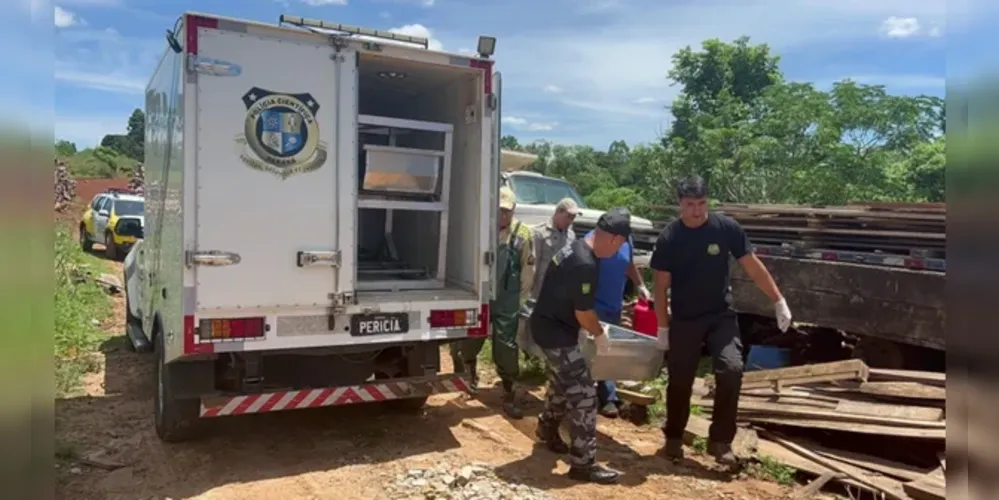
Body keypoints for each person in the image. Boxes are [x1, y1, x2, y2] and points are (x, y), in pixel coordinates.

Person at [650, 175, 793, 466]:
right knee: (680, 380)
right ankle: (674, 437)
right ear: (680, 204)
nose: (697, 210)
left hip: (720, 315)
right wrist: (663, 327)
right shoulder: (670, 238)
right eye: (690, 205)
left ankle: (720, 441)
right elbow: (660, 287)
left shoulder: (725, 228)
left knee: (731, 368)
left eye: (702, 203)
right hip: (685, 318)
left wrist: (778, 300)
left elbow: (753, 266)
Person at [530, 207, 633, 485]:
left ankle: (547, 429)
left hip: (548, 326)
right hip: (556, 334)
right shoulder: (585, 262)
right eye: (621, 244)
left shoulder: (579, 247)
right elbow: (584, 313)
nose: (620, 250)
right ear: (613, 238)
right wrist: (600, 334)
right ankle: (583, 464)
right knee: (585, 393)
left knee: (564, 382)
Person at [450, 186, 535, 419]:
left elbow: (528, 271)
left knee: (506, 345)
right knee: (470, 338)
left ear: (514, 210)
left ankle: (508, 391)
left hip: (508, 299)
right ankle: (470, 378)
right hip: (481, 296)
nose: (503, 216)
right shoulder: (481, 230)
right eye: (499, 211)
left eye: (507, 211)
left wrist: (519, 298)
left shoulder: (524, 234)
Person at [584, 209, 651, 418]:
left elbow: (629, 264)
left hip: (614, 305)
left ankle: (608, 397)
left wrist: (640, 285)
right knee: (592, 352)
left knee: (608, 352)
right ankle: (585, 397)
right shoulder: (592, 241)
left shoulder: (626, 240)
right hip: (594, 305)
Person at [529, 198, 579, 300]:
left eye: (573, 218)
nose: (570, 221)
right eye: (568, 217)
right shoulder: (540, 233)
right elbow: (533, 265)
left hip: (562, 292)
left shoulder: (571, 235)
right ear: (558, 212)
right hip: (541, 290)